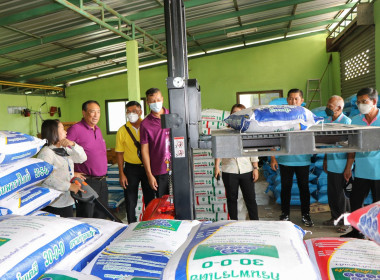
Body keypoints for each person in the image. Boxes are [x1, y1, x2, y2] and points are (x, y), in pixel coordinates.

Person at [270, 88, 314, 227]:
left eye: (296, 99)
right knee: (286, 188)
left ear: (301, 101)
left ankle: (306, 215)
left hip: (303, 160)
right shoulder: (281, 117)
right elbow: (273, 136)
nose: (293, 101)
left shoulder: (308, 116)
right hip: (285, 159)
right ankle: (285, 214)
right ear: (287, 100)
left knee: (304, 188)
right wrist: (273, 158)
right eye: (290, 98)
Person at [341, 87, 380, 239]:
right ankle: (357, 231)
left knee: (378, 205)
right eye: (358, 102)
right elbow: (352, 146)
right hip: (362, 170)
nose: (361, 105)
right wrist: (348, 167)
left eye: (364, 101)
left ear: (374, 101)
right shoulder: (356, 121)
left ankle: (376, 234)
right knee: (356, 201)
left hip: (378, 171)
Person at [214, 104, 259, 220]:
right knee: (232, 198)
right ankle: (233, 223)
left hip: (246, 169)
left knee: (250, 198)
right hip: (229, 169)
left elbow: (253, 151)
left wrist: (255, 168)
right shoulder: (224, 132)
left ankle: (256, 222)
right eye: (234, 113)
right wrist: (216, 166)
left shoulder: (248, 132)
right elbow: (218, 149)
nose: (236, 115)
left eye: (239, 113)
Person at [66, 100, 109, 219]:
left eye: (98, 112)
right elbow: (63, 152)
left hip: (102, 182)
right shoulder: (76, 129)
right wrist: (72, 173)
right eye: (92, 112)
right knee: (87, 216)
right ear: (84, 113)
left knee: (102, 216)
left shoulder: (98, 129)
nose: (96, 115)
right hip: (87, 181)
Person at [115, 101, 155, 223]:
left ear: (140, 112)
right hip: (131, 169)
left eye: (135, 111)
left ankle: (149, 222)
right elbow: (119, 153)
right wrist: (121, 173)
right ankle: (131, 223)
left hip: (148, 167)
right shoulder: (122, 130)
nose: (131, 114)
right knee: (130, 198)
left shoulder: (148, 126)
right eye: (129, 111)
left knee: (150, 197)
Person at [38, 119, 86, 217]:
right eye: (63, 129)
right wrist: (69, 186)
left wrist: (73, 145)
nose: (66, 132)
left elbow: (82, 158)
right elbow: (45, 178)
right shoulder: (46, 153)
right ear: (54, 132)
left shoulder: (63, 150)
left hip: (66, 200)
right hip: (54, 203)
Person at [322, 95, 351, 233]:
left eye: (330, 106)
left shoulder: (347, 122)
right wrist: (325, 159)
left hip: (342, 165)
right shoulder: (328, 120)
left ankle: (345, 222)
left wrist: (348, 168)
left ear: (339, 108)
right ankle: (334, 217)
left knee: (342, 195)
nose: (327, 108)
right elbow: (327, 142)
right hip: (332, 163)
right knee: (332, 193)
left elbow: (352, 149)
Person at [140, 88, 171, 198]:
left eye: (158, 99)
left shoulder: (172, 115)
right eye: (153, 101)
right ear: (148, 103)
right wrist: (149, 174)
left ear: (162, 99)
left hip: (177, 168)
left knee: (181, 203)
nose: (156, 103)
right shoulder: (145, 124)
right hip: (159, 171)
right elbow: (144, 150)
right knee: (163, 204)